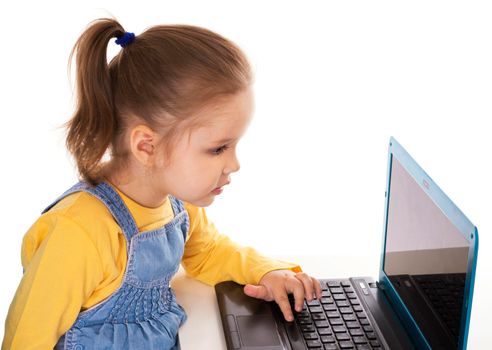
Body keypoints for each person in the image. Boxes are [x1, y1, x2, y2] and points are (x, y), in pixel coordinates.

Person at [2, 17, 322, 349]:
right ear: (146, 146)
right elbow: (26, 339)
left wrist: (266, 272)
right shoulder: (78, 232)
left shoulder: (175, 203)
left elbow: (207, 251)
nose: (234, 164)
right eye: (218, 149)